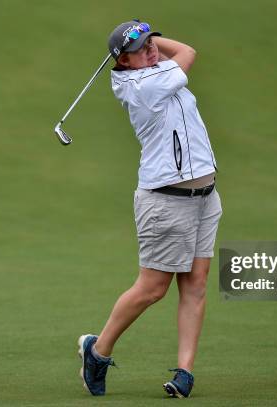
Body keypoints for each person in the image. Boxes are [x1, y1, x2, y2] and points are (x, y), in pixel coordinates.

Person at [77, 20, 222, 399]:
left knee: (196, 284)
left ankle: (185, 372)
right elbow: (188, 51)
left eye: (151, 43)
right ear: (123, 62)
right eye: (141, 48)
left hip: (205, 196)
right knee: (153, 288)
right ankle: (97, 351)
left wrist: (142, 37)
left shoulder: (154, 70)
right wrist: (152, 37)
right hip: (166, 200)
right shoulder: (141, 86)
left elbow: (172, 56)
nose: (152, 50)